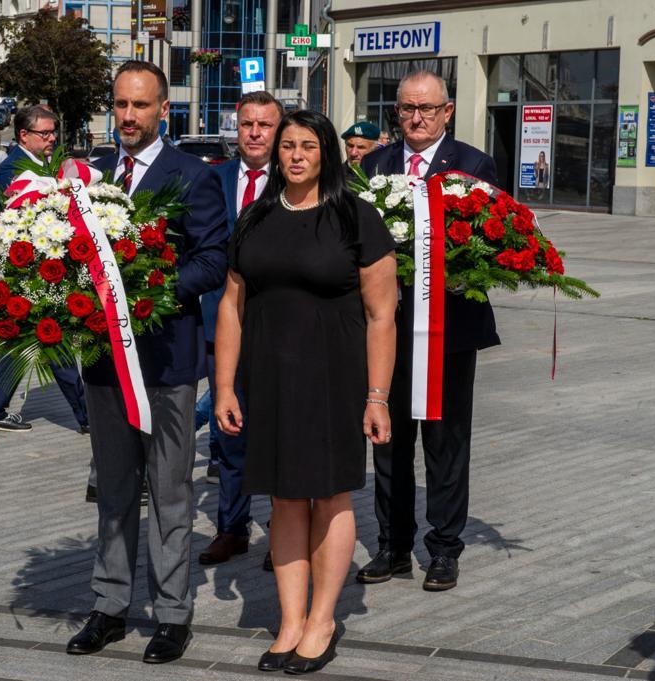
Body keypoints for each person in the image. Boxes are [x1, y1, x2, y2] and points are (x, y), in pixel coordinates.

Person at [215, 109, 396, 674]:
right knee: (285, 499)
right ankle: (290, 621)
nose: (296, 155)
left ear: (326, 155)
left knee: (331, 497)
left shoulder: (356, 217)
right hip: (269, 378)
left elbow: (381, 315)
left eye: (308, 146)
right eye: (288, 145)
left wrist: (377, 397)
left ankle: (322, 620)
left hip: (334, 379)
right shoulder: (255, 217)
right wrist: (224, 385)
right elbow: (231, 306)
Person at [66, 60, 227, 665]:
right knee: (113, 489)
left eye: (140, 105)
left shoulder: (192, 174)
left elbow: (212, 258)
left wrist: (148, 293)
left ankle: (171, 614)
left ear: (164, 109)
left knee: (168, 491)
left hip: (164, 362)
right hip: (103, 362)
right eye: (121, 104)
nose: (128, 116)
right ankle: (109, 606)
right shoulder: (91, 174)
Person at [358, 70, 501, 592]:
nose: (416, 118)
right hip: (387, 332)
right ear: (396, 113)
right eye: (407, 109)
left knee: (446, 443)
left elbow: (490, 242)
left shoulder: (473, 165)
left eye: (427, 108)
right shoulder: (373, 166)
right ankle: (393, 545)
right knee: (388, 441)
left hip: (449, 331)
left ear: (448, 111)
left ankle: (443, 548)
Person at [197, 90, 283, 567]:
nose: (254, 133)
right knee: (228, 433)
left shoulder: (294, 181)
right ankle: (232, 528)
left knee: (279, 434)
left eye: (264, 125)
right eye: (247, 124)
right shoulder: (214, 178)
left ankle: (284, 532)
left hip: (277, 329)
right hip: (221, 326)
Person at [0, 105, 90, 435]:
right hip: (30, 271)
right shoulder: (12, 168)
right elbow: (17, 219)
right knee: (53, 340)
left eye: (54, 132)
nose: (52, 138)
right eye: (45, 133)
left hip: (45, 267)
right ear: (24, 135)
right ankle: (87, 416)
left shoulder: (45, 163)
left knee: (25, 342)